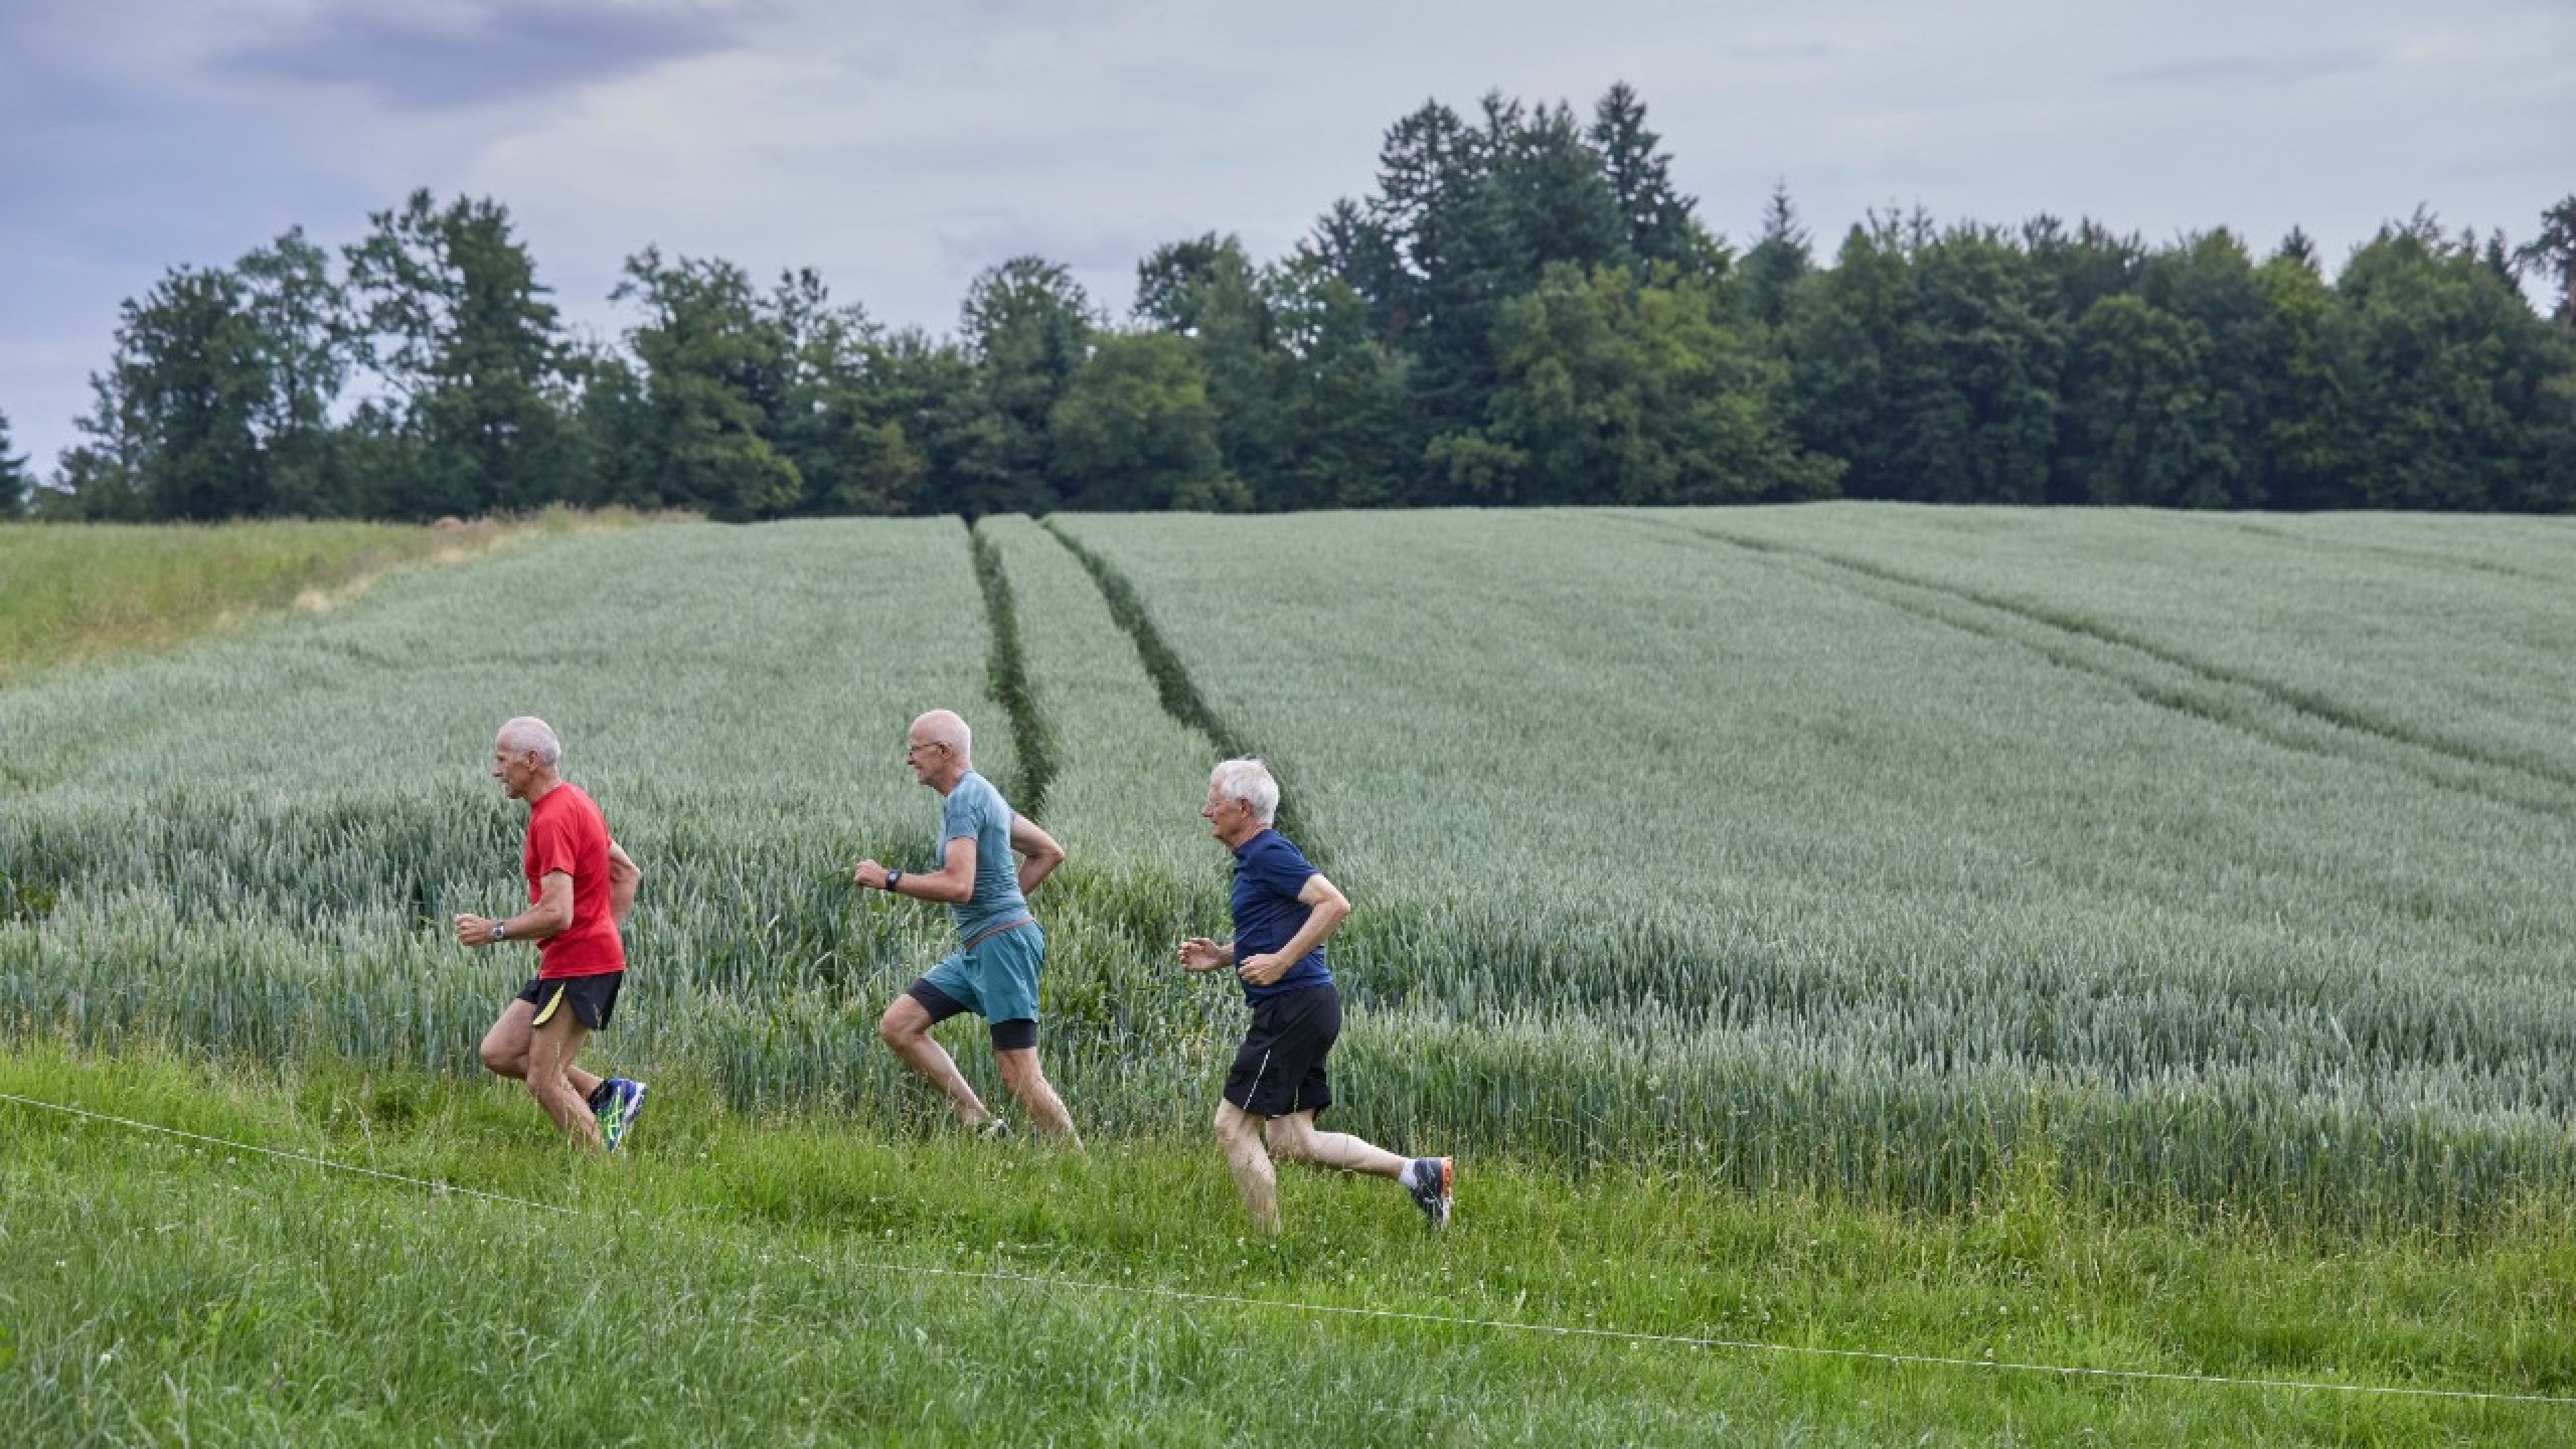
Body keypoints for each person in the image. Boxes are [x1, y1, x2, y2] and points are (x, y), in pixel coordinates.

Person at [1177, 758, 1450, 1234]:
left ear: (1243, 808)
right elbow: (1278, 926)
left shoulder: (1268, 852)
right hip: (1308, 1005)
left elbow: (1334, 903)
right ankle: (1419, 1174)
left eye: (1213, 801)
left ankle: (1269, 1248)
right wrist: (1223, 956)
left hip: (1292, 1007)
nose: (1206, 811)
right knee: (1292, 1141)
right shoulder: (1256, 859)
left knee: (1233, 1127)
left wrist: (1281, 961)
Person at [855, 709, 1077, 1142]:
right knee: (899, 1026)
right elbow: (1050, 852)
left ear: (943, 751)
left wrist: (889, 879)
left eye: (915, 749)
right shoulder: (984, 795)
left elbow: (959, 885)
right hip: (982, 945)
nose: (909, 759)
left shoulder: (964, 799)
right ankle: (981, 1124)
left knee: (1019, 1075)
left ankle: (1079, 1169)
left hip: (1002, 947)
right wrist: (1002, 902)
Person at [454, 716, 648, 1152]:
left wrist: (495, 930)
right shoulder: (577, 801)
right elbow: (628, 873)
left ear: (532, 760)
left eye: (502, 760)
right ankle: (607, 1094)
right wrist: (599, 931)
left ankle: (604, 1179)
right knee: (500, 1052)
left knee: (544, 1080)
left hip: (579, 963)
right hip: (576, 959)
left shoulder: (553, 819)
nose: (495, 770)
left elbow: (557, 913)